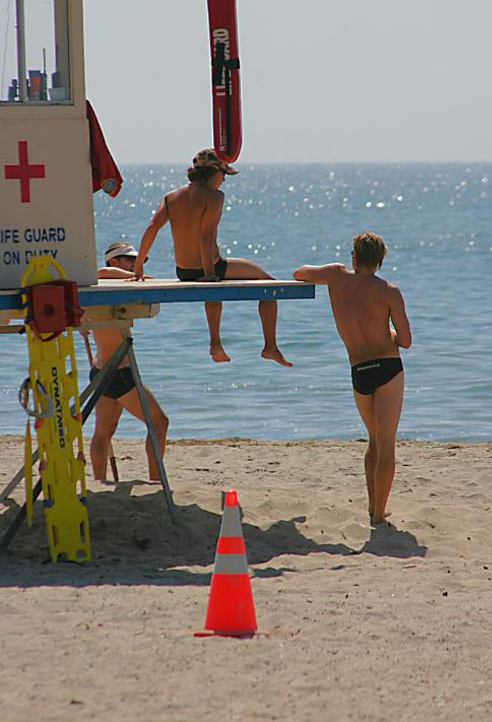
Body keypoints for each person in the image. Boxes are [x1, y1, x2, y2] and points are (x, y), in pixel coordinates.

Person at [293, 231, 412, 526]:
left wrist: (335, 272)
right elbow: (406, 341)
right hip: (387, 368)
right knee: (386, 443)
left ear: (354, 257)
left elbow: (300, 272)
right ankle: (378, 513)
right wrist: (390, 335)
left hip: (359, 371)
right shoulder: (389, 291)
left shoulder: (336, 277)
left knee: (373, 440)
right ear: (381, 261)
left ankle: (374, 507)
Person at [134, 148, 292, 367]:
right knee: (270, 284)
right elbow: (206, 236)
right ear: (212, 173)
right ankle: (270, 347)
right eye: (223, 174)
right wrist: (209, 274)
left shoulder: (171, 197)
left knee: (215, 283)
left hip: (183, 271)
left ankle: (216, 344)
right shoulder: (214, 197)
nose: (224, 180)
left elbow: (152, 228)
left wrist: (139, 263)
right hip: (209, 267)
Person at [85, 242, 169, 481]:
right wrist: (135, 275)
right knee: (159, 422)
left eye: (136, 261)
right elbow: (101, 272)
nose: (135, 264)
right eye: (129, 260)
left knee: (105, 431)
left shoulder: (112, 292)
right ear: (113, 261)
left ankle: (100, 482)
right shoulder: (99, 282)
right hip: (117, 374)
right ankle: (155, 480)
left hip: (102, 370)